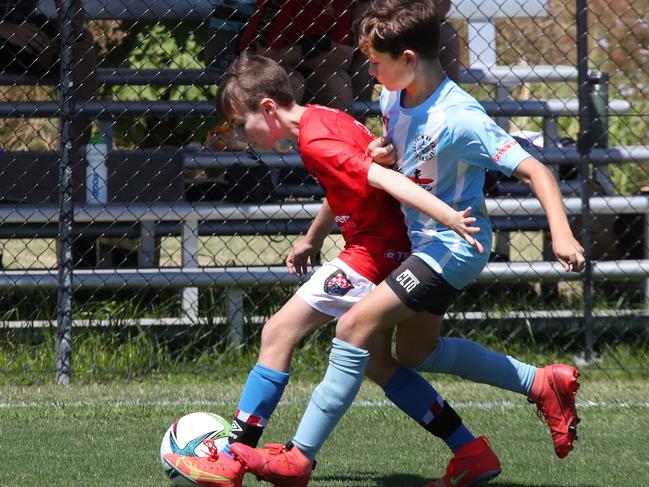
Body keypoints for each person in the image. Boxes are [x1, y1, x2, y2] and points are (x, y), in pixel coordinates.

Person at [230, 1, 586, 486]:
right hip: (420, 245)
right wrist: (384, 153)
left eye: (376, 62)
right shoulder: (393, 99)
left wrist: (561, 235)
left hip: (454, 246)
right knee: (415, 354)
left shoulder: (459, 117)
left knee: (352, 328)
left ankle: (299, 458)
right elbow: (388, 167)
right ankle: (536, 385)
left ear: (409, 59)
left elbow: (536, 169)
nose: (369, 72)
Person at [163, 52, 493, 487]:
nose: (242, 137)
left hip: (375, 252)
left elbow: (384, 179)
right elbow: (347, 182)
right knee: (378, 363)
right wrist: (314, 238)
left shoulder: (316, 141)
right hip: (384, 247)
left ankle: (233, 455)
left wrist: (447, 215)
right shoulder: (323, 118)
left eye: (241, 126)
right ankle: (469, 450)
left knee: (278, 331)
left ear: (268, 108)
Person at [0, 0, 97, 149]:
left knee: (81, 42)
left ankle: (76, 157)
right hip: (6, 30)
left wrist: (64, 36)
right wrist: (5, 29)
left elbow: (75, 23)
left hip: (24, 32)